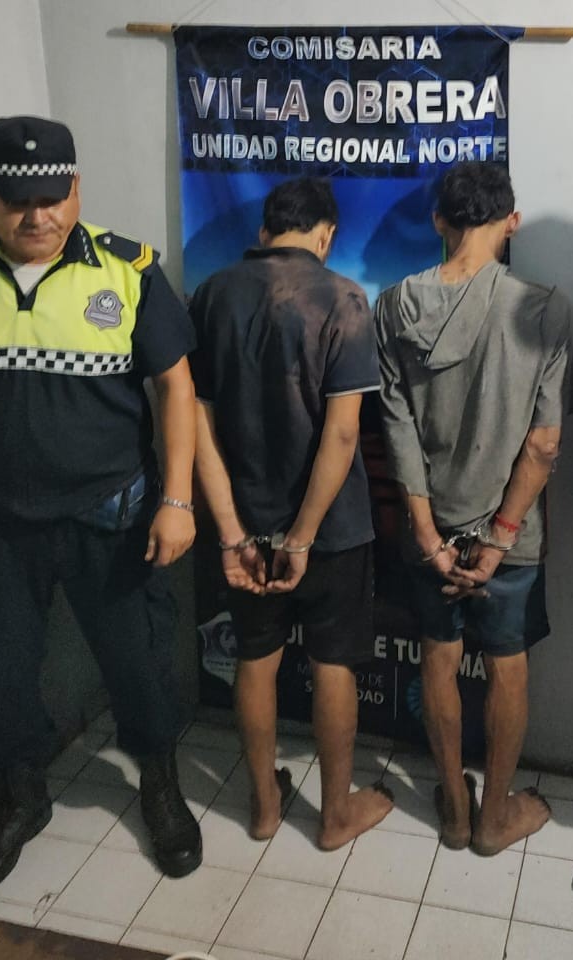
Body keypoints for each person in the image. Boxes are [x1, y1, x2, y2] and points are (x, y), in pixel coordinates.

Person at [0, 117, 202, 896]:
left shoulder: (127, 269)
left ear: (75, 188)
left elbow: (176, 387)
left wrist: (178, 498)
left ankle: (160, 786)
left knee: (139, 666)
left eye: (52, 197)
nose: (37, 216)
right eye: (15, 199)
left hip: (112, 513)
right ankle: (20, 800)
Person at [375, 161, 573, 855]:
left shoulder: (394, 305)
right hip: (509, 538)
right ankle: (495, 818)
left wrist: (429, 535)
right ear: (511, 222)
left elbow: (397, 429)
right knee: (507, 664)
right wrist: (498, 539)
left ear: (439, 220)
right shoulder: (546, 310)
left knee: (438, 657)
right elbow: (545, 444)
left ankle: (455, 813)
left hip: (429, 531)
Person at [189, 177, 393, 849]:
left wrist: (231, 533)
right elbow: (343, 433)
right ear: (326, 236)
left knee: (255, 659)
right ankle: (334, 817)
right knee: (333, 663)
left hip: (245, 526)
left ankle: (264, 807)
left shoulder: (212, 294)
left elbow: (198, 425)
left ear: (264, 232)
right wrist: (302, 537)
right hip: (330, 531)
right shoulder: (344, 299)